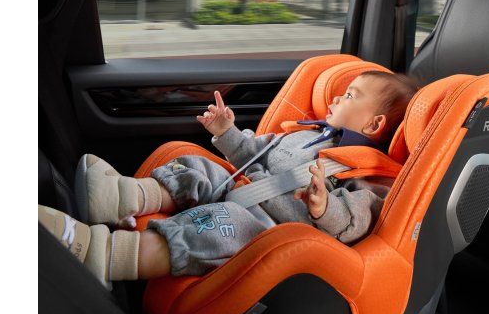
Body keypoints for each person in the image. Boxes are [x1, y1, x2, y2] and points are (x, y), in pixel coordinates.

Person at [39, 70, 420, 289]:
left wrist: (324, 206)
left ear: (374, 124)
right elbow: (252, 153)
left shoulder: (369, 173)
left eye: (350, 95)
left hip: (267, 229)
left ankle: (103, 254)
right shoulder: (305, 133)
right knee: (199, 167)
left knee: (219, 225)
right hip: (239, 186)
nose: (335, 98)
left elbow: (355, 220)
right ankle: (120, 196)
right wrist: (226, 132)